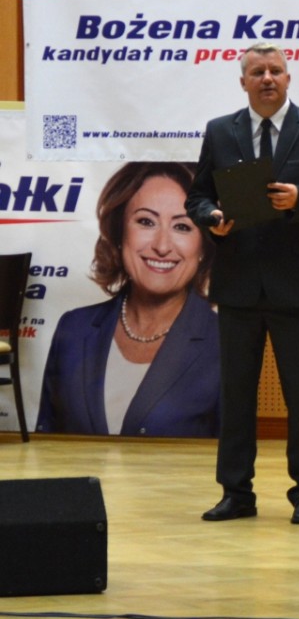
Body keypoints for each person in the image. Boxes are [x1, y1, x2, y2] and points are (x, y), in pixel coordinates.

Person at [185, 41, 299, 525]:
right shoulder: (221, 131)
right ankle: (236, 492)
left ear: (288, 78)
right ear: (242, 81)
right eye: (257, 71)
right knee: (236, 396)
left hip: (297, 286)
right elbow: (198, 197)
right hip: (237, 284)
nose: (267, 78)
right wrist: (211, 218)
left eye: (275, 71)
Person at [37, 162, 220, 437]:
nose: (162, 246)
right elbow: (46, 445)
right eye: (146, 221)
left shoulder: (227, 342)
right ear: (120, 232)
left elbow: (234, 457)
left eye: (182, 226)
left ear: (203, 245)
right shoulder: (73, 328)